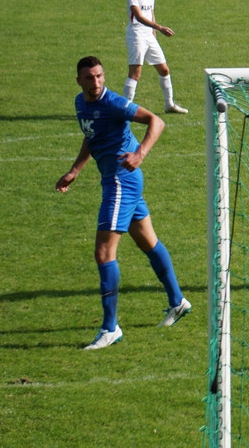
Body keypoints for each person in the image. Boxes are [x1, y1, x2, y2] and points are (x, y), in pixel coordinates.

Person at [56, 56, 191, 350]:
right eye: (89, 78)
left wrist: (140, 154)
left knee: (104, 253)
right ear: (78, 80)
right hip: (117, 181)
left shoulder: (114, 103)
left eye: (100, 76)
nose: (96, 82)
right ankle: (178, 301)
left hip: (121, 181)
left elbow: (157, 121)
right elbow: (91, 137)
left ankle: (110, 328)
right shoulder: (81, 103)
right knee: (148, 242)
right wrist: (75, 170)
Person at [123, 0, 188, 114]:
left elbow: (150, 12)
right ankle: (124, 109)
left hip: (149, 35)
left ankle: (169, 105)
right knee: (135, 74)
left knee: (164, 69)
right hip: (136, 35)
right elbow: (138, 16)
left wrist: (153, 32)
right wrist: (159, 27)